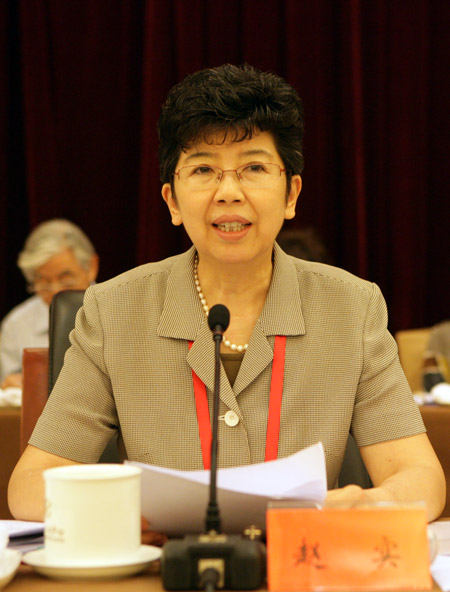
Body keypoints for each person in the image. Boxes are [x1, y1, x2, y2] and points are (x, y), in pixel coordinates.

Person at [8, 64, 445, 530]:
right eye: (203, 170)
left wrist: (375, 504)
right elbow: (31, 486)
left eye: (254, 168)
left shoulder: (351, 308)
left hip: (299, 559)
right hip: (167, 561)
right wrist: (142, 513)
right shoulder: (114, 311)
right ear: (172, 201)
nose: (229, 192)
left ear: (291, 194)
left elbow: (419, 476)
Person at [0, 219, 99, 388]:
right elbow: (8, 383)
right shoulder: (16, 324)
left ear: (91, 267)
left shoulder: (119, 310)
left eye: (66, 280)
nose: (55, 292)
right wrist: (10, 386)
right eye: (43, 283)